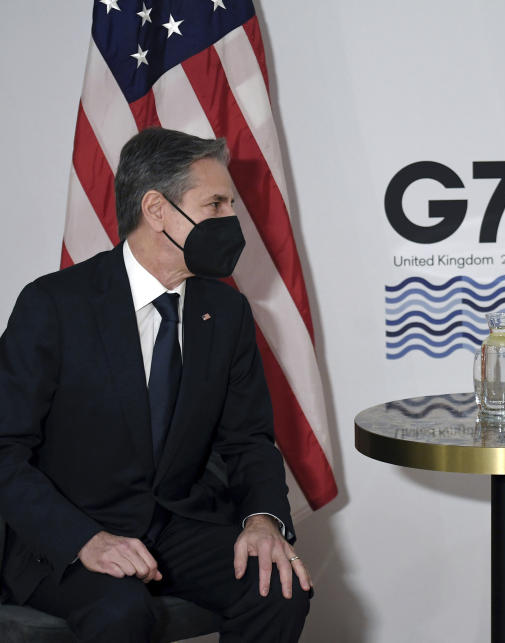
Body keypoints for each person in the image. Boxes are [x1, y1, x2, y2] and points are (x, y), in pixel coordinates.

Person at [0, 128, 312, 642]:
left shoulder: (227, 311)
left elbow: (248, 440)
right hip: (70, 535)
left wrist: (262, 521)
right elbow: (4, 448)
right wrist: (85, 540)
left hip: (177, 527)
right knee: (121, 612)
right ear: (156, 209)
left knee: (278, 588)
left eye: (230, 204)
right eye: (215, 204)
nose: (232, 221)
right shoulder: (54, 305)